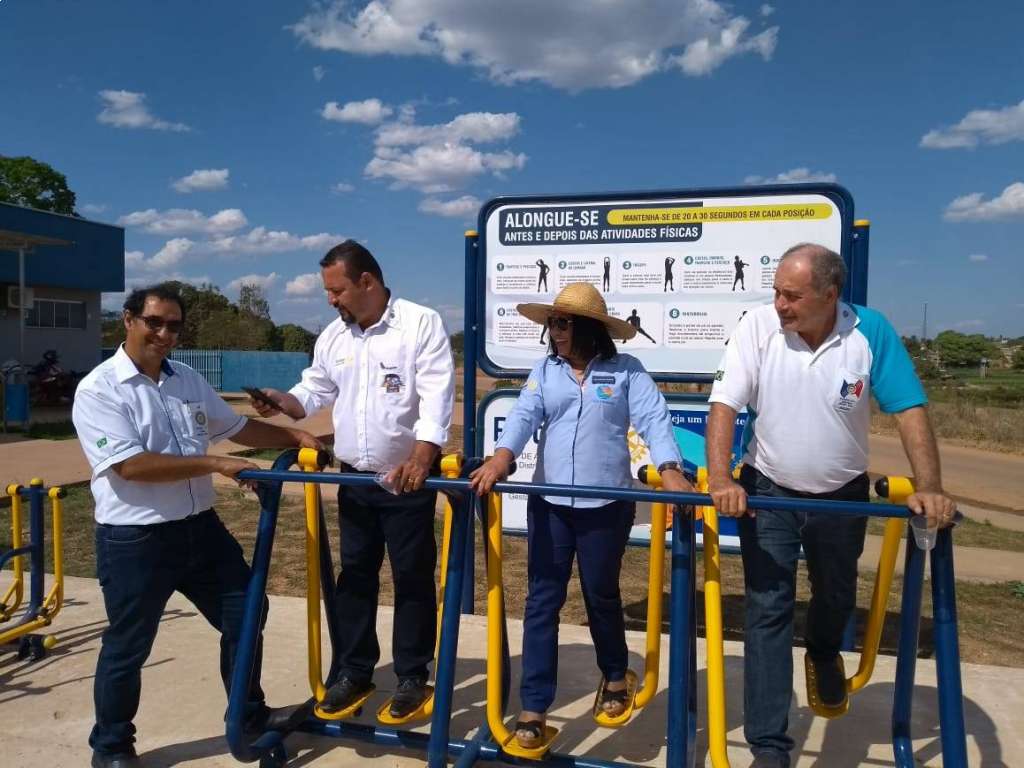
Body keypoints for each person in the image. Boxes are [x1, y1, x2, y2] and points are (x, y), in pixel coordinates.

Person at [706, 243, 956, 768]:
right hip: (769, 489)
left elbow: (909, 409)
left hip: (841, 494)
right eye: (777, 292)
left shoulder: (870, 332)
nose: (780, 304)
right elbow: (724, 404)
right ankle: (769, 746)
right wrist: (723, 478)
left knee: (836, 594)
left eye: (792, 296)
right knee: (767, 607)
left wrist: (930, 486)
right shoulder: (757, 326)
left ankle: (822, 653)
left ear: (830, 294)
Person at [72, 284, 322, 768]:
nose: (164, 334)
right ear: (128, 320)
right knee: (129, 645)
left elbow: (235, 428)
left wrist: (293, 435)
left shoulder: (185, 378)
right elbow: (130, 466)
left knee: (247, 612)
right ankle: (112, 747)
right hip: (136, 539)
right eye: (154, 323)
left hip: (200, 530)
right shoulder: (100, 389)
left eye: (174, 326)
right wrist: (215, 464)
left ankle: (248, 714)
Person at [469, 282, 692, 750]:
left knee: (600, 595)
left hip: (606, 505)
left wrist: (671, 469)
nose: (554, 331)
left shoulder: (626, 371)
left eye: (563, 323)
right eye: (552, 322)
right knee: (542, 600)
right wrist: (502, 457)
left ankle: (615, 674)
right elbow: (524, 415)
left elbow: (654, 420)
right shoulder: (545, 371)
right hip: (550, 503)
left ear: (590, 327)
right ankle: (534, 707)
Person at [250, 240, 455, 720]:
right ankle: (355, 670)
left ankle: (411, 676)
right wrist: (283, 401)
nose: (330, 300)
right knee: (355, 577)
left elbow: (437, 396)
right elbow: (313, 390)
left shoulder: (419, 324)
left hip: (406, 479)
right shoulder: (334, 337)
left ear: (367, 282)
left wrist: (422, 457)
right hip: (356, 482)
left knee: (411, 577)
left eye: (336, 290)